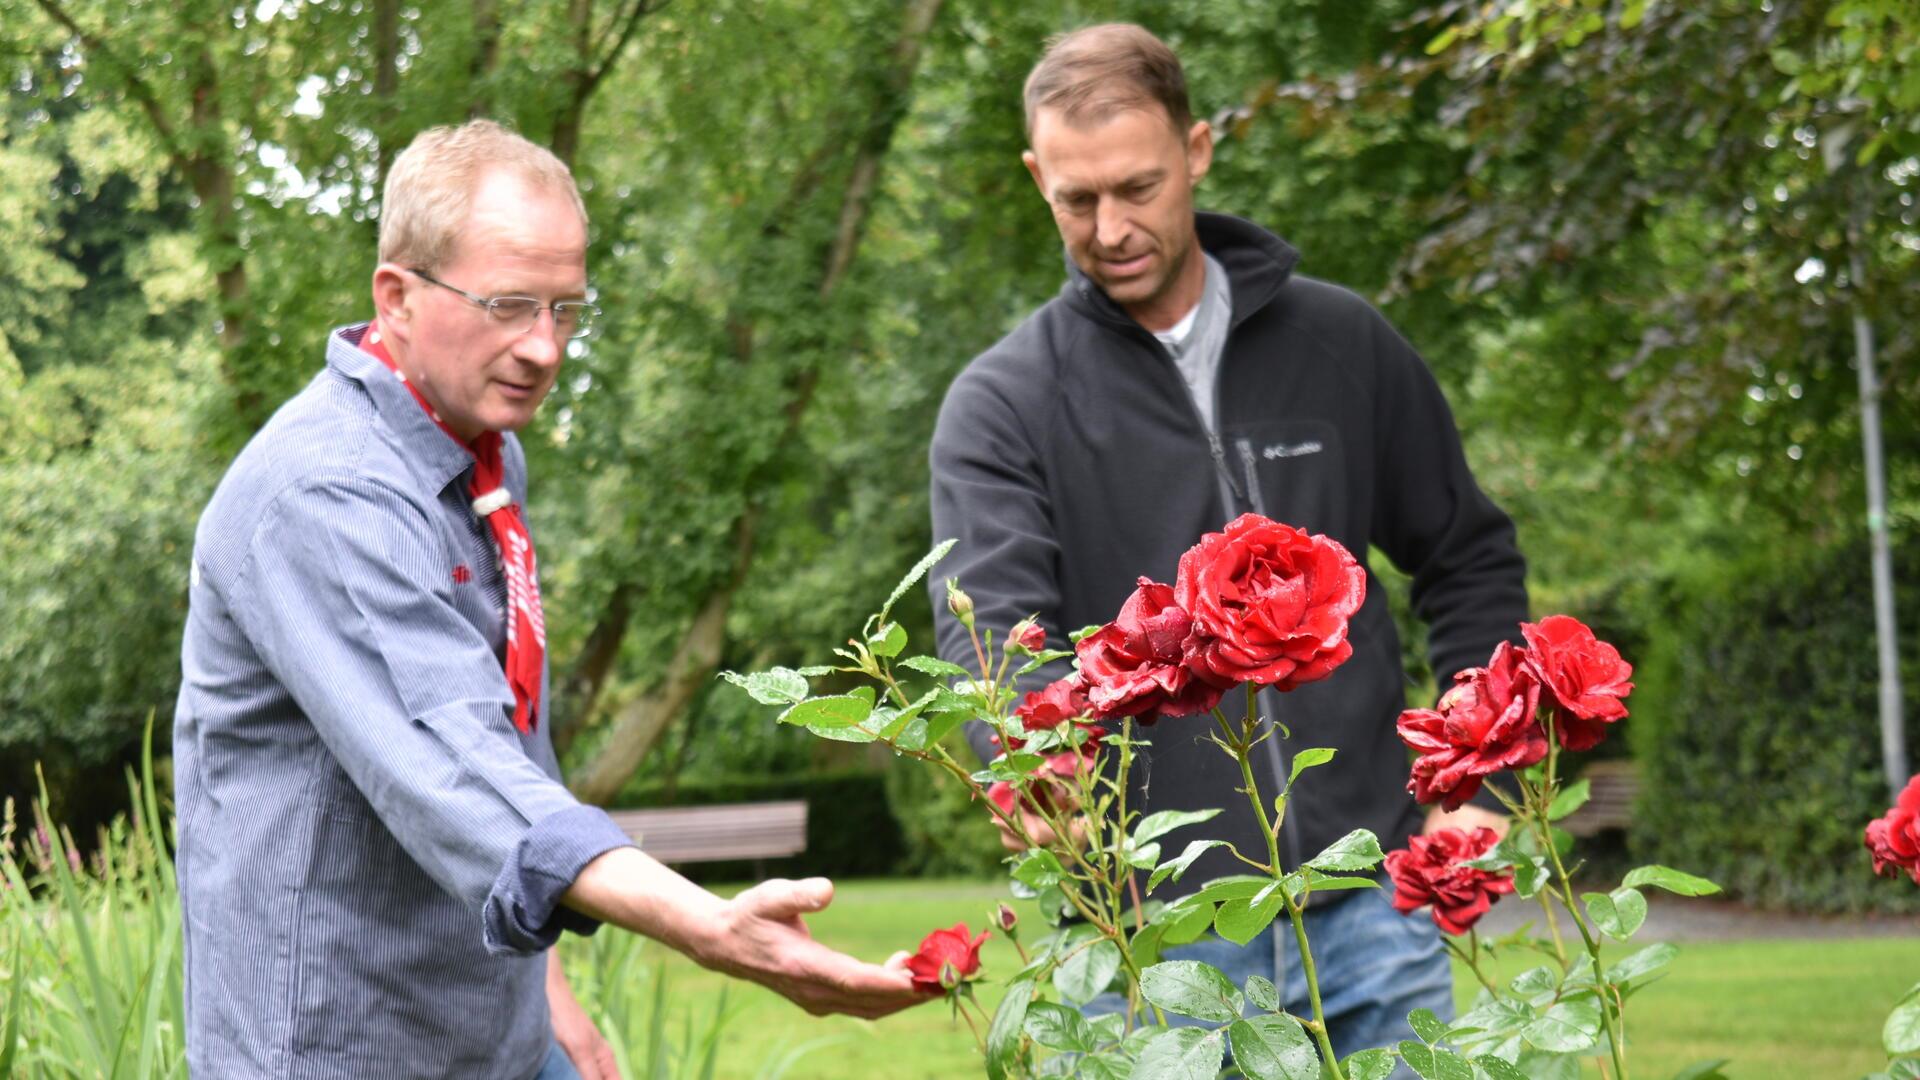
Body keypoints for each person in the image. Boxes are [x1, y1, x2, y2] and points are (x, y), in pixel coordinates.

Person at [173, 120, 920, 1080]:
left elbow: (508, 733)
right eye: (509, 304)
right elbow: (450, 766)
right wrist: (708, 927)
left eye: (567, 309)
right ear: (396, 298)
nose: (544, 348)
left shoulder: (484, 454)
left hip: (496, 1035)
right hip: (338, 1048)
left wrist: (548, 987)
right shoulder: (323, 497)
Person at [926, 23, 1528, 1067]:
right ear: (1036, 175)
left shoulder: (1344, 347)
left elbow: (1467, 556)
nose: (1111, 226)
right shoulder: (1003, 406)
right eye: (1076, 199)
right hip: (1155, 951)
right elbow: (993, 641)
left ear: (1196, 151)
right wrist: (1037, 778)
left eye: (1138, 187)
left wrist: (1476, 780)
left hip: (1374, 904)